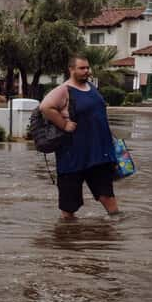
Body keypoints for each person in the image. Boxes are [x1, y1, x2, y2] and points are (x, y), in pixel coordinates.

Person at [39, 53, 119, 220]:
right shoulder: (64, 90)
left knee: (107, 196)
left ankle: (113, 234)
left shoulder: (92, 88)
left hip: (98, 155)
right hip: (72, 157)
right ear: (71, 69)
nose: (86, 71)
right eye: (81, 68)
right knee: (69, 207)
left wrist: (111, 140)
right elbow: (45, 107)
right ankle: (67, 238)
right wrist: (64, 124)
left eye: (87, 68)